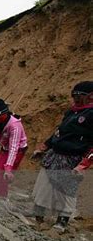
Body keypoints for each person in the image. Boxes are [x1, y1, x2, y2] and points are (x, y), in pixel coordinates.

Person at [29, 81, 92, 232]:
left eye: (79, 96)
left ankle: (62, 221)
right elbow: (59, 132)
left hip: (72, 158)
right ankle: (38, 217)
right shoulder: (71, 112)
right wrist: (45, 146)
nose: (75, 98)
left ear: (90, 96)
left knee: (67, 191)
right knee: (44, 185)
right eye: (74, 95)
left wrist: (83, 164)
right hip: (54, 155)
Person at [0, 99, 28, 197]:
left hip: (18, 150)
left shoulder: (15, 126)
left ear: (4, 114)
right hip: (5, 147)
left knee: (3, 176)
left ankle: (1, 198)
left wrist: (8, 168)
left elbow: (14, 147)